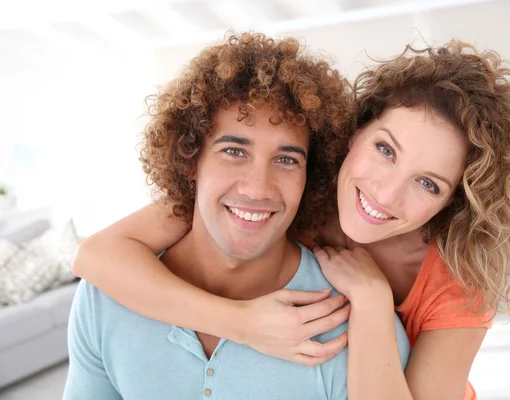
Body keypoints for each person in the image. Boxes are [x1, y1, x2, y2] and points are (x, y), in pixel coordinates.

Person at [72, 38, 510, 399]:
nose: (385, 190)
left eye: (428, 183)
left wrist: (374, 300)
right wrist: (241, 325)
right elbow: (96, 256)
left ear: (453, 202)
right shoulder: (282, 194)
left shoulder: (458, 283)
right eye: (384, 150)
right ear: (354, 134)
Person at [63, 32, 411, 400]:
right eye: (234, 151)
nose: (258, 188)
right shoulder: (107, 296)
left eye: (286, 160)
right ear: (191, 159)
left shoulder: (357, 326)